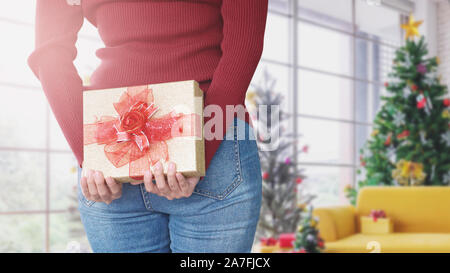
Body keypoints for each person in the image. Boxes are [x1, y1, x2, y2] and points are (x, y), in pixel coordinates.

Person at [29, 0, 268, 253]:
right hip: (198, 140)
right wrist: (90, 152)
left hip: (120, 148)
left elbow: (49, 48)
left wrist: (90, 151)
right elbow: (244, 41)